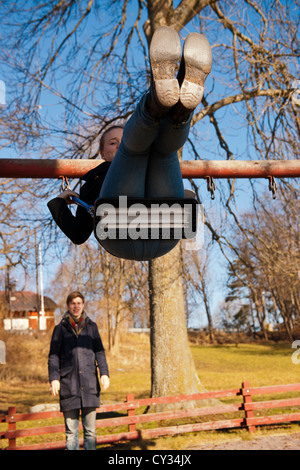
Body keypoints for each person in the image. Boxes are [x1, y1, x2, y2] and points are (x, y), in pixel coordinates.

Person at [48, 26, 212, 260]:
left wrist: (184, 195)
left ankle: (181, 107)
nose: (118, 144)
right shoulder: (94, 181)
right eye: (113, 143)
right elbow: (78, 234)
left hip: (162, 232)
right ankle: (158, 102)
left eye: (122, 139)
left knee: (163, 151)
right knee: (142, 152)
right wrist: (60, 202)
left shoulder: (143, 155)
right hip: (119, 233)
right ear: (103, 153)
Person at [48, 291, 109, 450]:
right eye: (73, 303)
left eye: (79, 303)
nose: (76, 306)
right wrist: (54, 378)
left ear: (83, 305)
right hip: (69, 386)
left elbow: (100, 352)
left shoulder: (92, 327)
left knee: (90, 432)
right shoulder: (60, 329)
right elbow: (53, 355)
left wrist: (104, 373)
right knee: (71, 433)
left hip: (89, 386)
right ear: (68, 306)